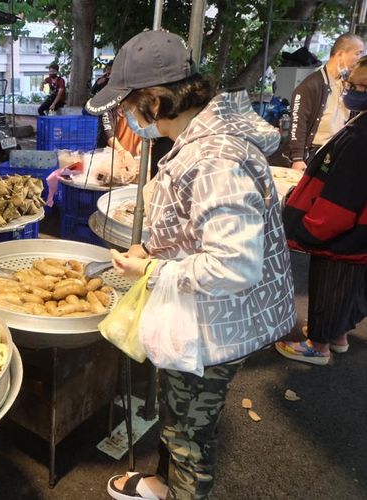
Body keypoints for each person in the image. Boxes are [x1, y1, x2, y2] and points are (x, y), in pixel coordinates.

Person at [85, 30, 296, 500]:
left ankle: (182, 490)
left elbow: (233, 265)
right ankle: (160, 484)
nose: (125, 116)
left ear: (156, 100)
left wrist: (154, 271)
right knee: (177, 412)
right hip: (210, 311)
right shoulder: (200, 138)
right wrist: (155, 251)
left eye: (127, 104)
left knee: (189, 436)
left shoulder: (214, 157)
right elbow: (201, 230)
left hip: (219, 322)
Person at [276, 56, 367, 365]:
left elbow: (342, 199)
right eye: (350, 84)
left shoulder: (361, 138)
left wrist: (310, 227)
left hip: (343, 232)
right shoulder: (361, 123)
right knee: (348, 286)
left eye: (360, 86)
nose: (352, 91)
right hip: (357, 236)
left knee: (331, 284)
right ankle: (336, 336)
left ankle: (318, 345)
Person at [285, 33, 364, 171]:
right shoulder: (311, 84)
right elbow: (298, 121)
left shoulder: (348, 83)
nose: (360, 59)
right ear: (340, 54)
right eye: (358, 53)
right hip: (315, 153)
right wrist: (298, 158)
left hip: (337, 152)